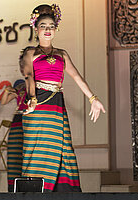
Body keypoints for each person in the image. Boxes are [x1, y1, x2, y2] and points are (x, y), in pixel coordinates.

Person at [20, 4, 106, 192]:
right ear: (36, 28)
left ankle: (63, 193)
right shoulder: (30, 53)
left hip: (56, 106)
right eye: (43, 25)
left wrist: (93, 99)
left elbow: (77, 77)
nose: (48, 29)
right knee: (38, 151)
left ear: (56, 28)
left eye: (51, 25)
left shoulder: (62, 54)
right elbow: (29, 76)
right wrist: (32, 98)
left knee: (62, 149)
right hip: (38, 106)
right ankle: (34, 192)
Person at [1, 79, 27, 192]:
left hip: (27, 119)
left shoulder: (31, 88)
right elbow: (3, 102)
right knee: (13, 153)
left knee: (25, 153)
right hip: (17, 120)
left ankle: (25, 185)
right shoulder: (19, 90)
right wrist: (7, 90)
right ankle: (13, 188)